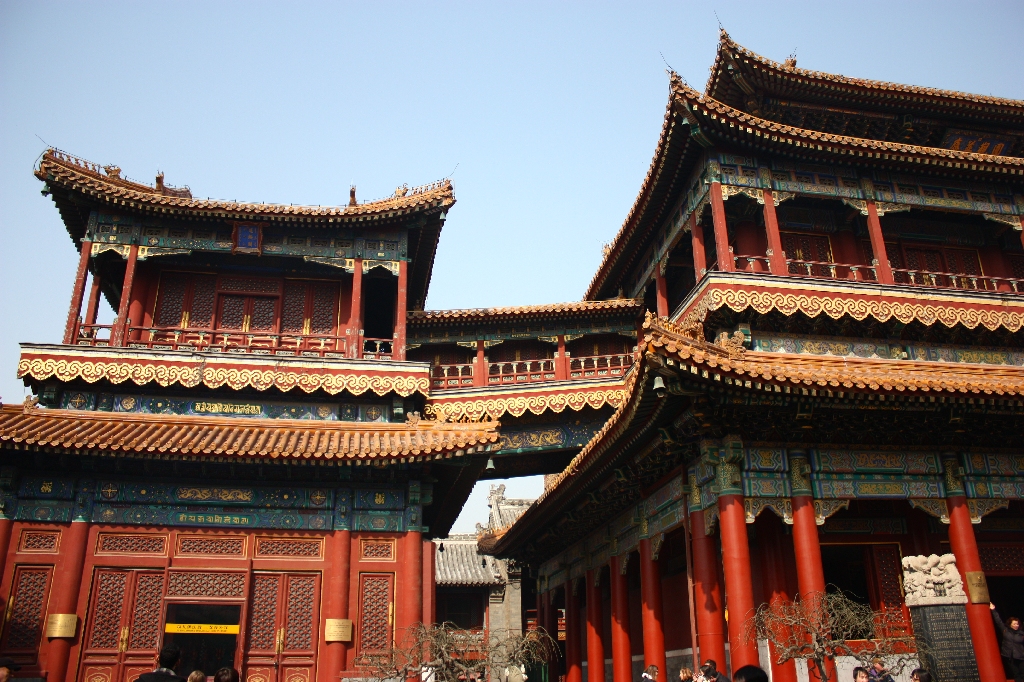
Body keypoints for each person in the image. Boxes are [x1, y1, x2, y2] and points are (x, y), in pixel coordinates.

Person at [991, 603, 1024, 682]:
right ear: (1010, 624)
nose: (1016, 625)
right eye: (1014, 624)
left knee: (1023, 673)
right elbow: (998, 621)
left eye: (1017, 624)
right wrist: (993, 610)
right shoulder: (1005, 630)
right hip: (1009, 656)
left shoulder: (1021, 633)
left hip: (1021, 657)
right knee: (1016, 674)